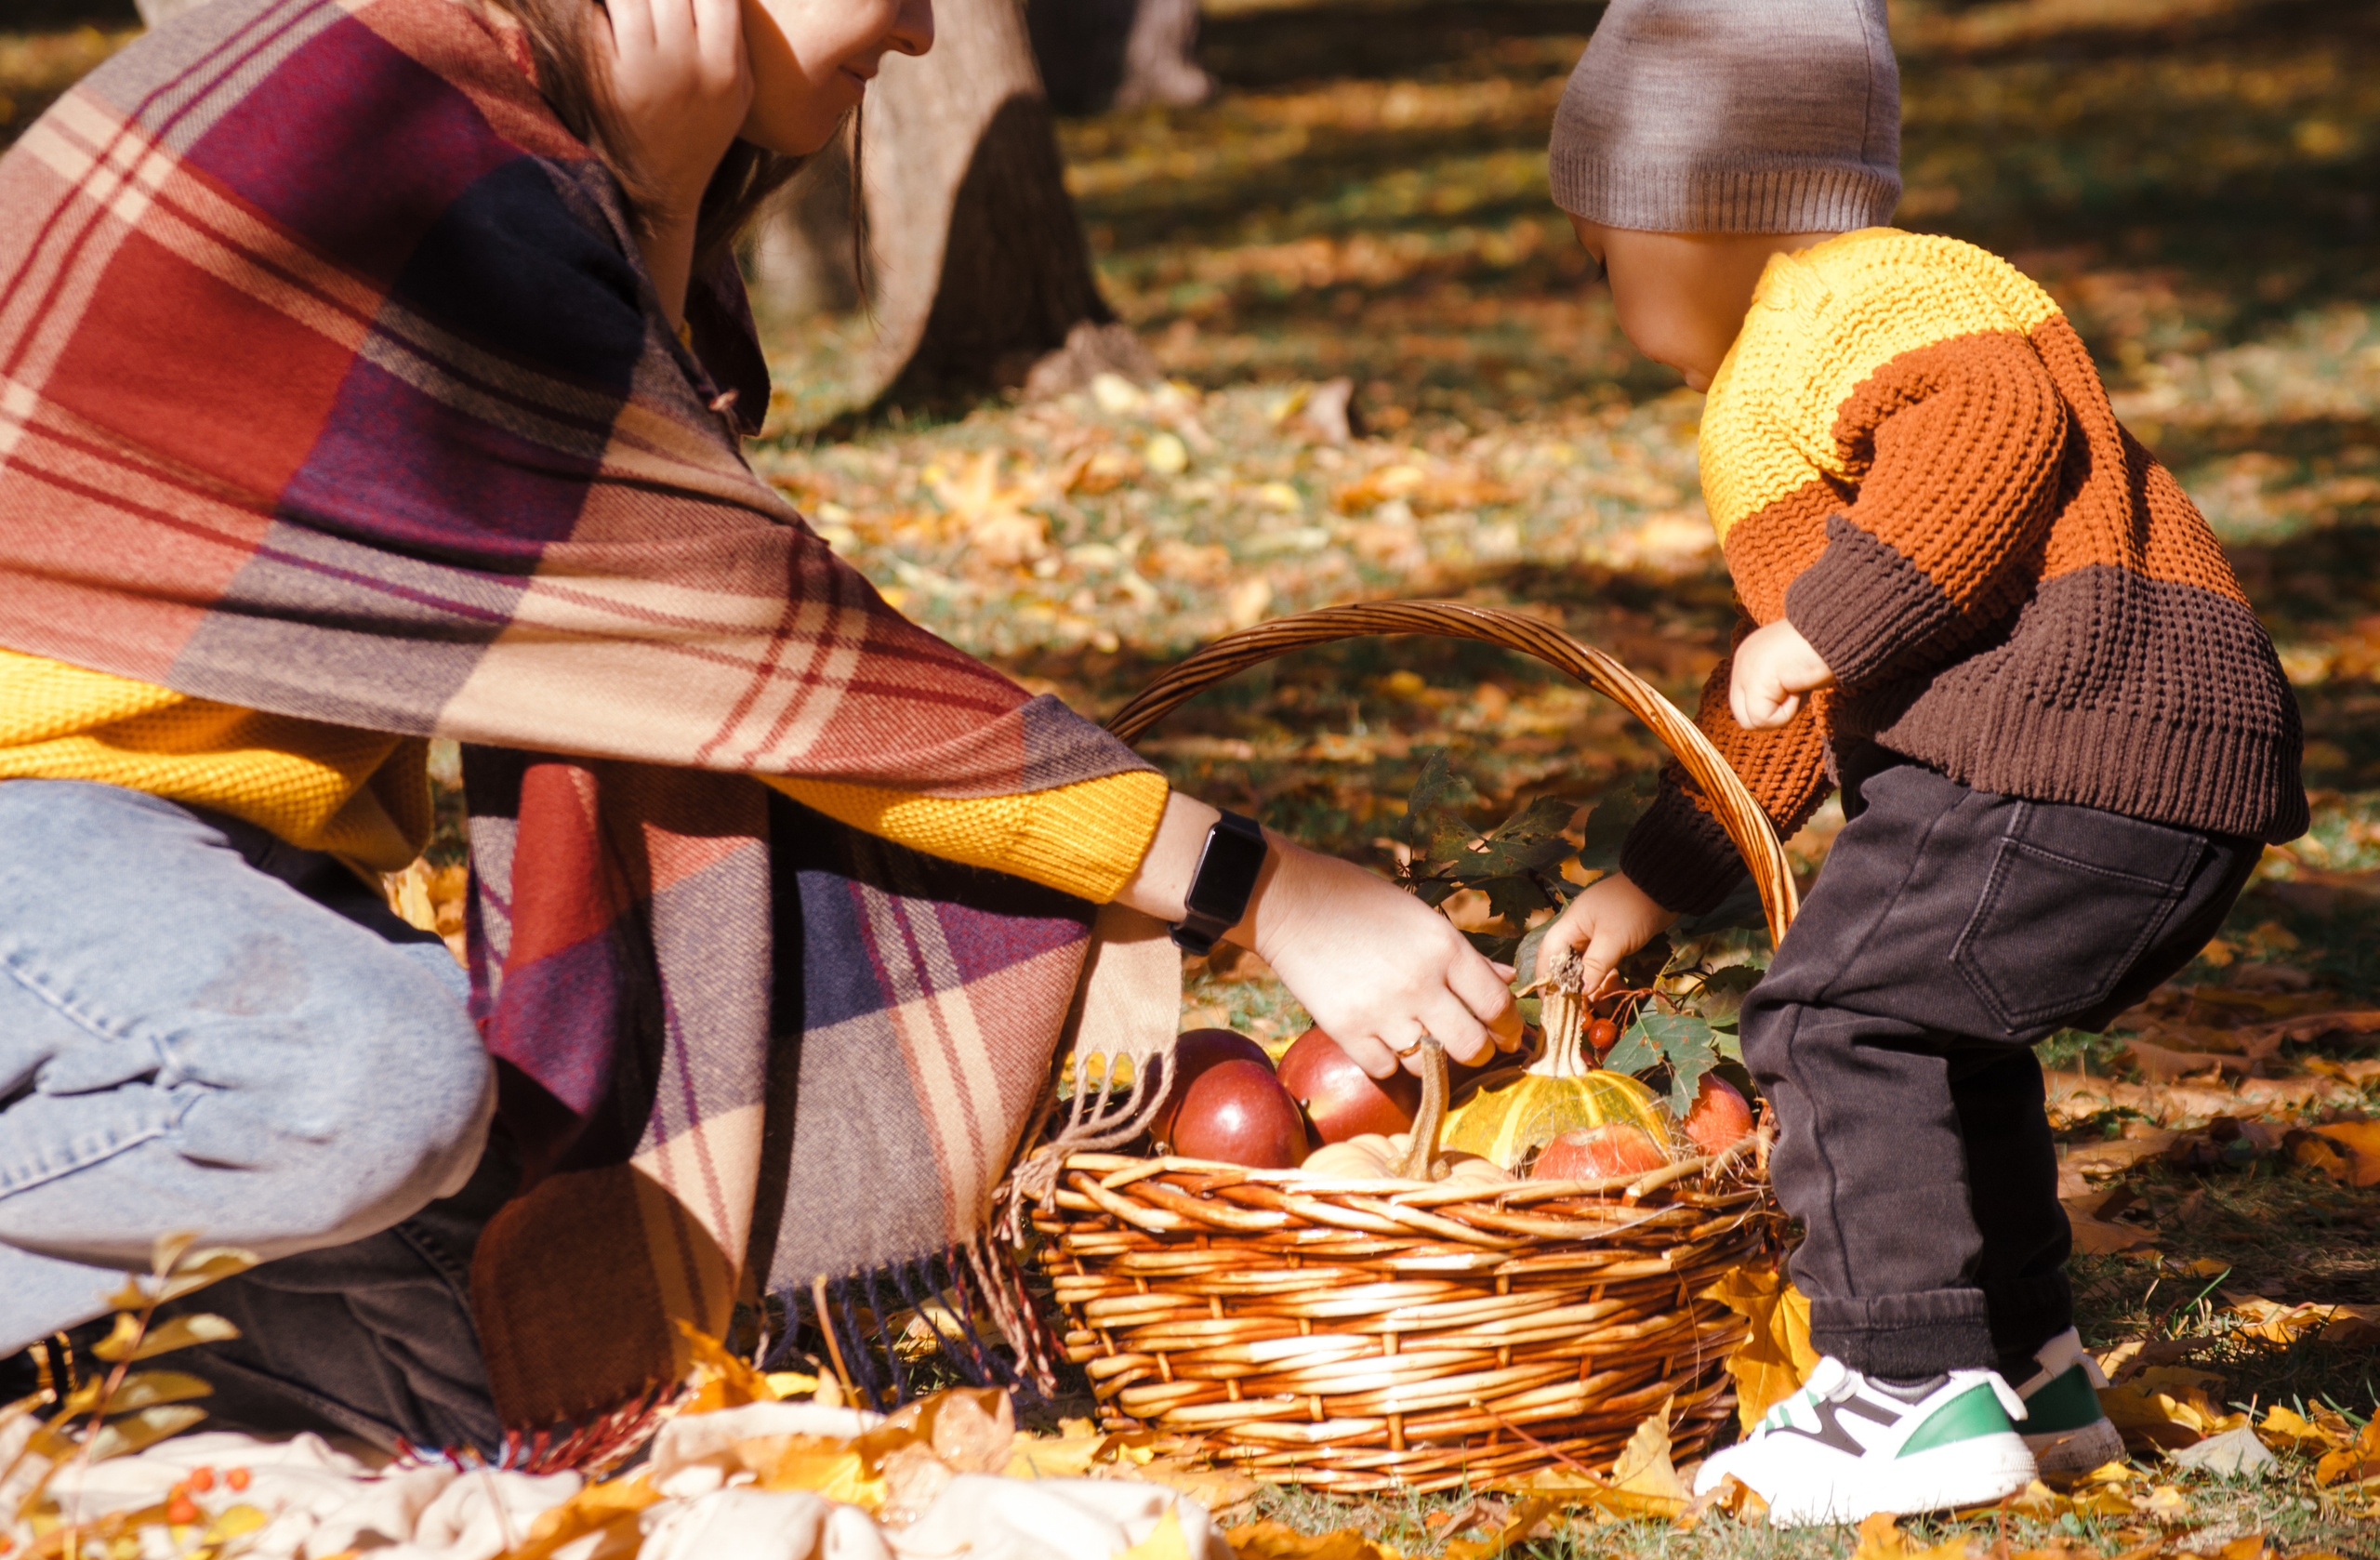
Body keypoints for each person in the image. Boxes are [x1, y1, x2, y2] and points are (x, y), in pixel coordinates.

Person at [0, 0, 1518, 1453]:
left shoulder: (497, 109)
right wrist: (1265, 888)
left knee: (515, 1372)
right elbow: (755, 642)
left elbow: (648, 571)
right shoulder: (407, 133)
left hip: (149, 884)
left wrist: (653, 203)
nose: (921, 29)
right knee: (365, 1087)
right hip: (50, 847)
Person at [1532, 0, 2306, 1526]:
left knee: (1834, 1016)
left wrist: (1830, 620)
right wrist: (1649, 879)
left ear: (1679, 206)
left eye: (1594, 246)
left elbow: (1992, 422)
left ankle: (1900, 1386)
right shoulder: (1775, 377)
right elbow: (1794, 710)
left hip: (2079, 742)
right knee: (1942, 1037)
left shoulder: (1865, 292)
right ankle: (2025, 1375)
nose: (1595, 282)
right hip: (2116, 756)